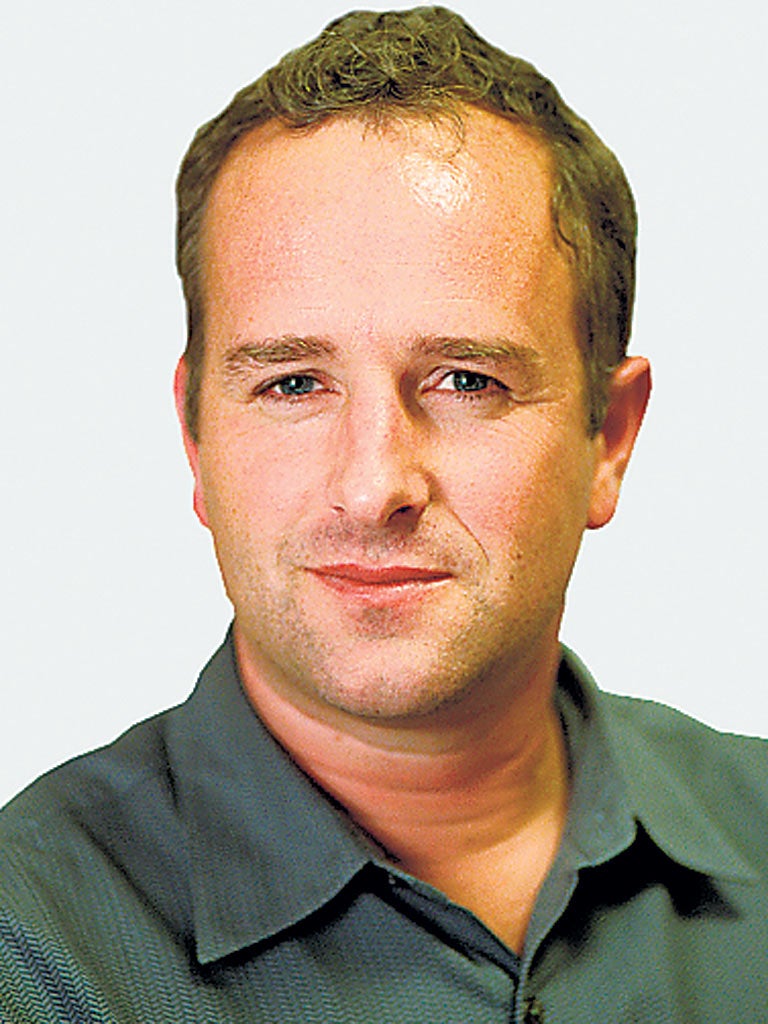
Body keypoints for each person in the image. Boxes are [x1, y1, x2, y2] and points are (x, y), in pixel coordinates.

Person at [1, 6, 766, 1022]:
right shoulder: (29, 950)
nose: (372, 486)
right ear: (196, 439)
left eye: (466, 380)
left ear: (610, 438)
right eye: (291, 384)